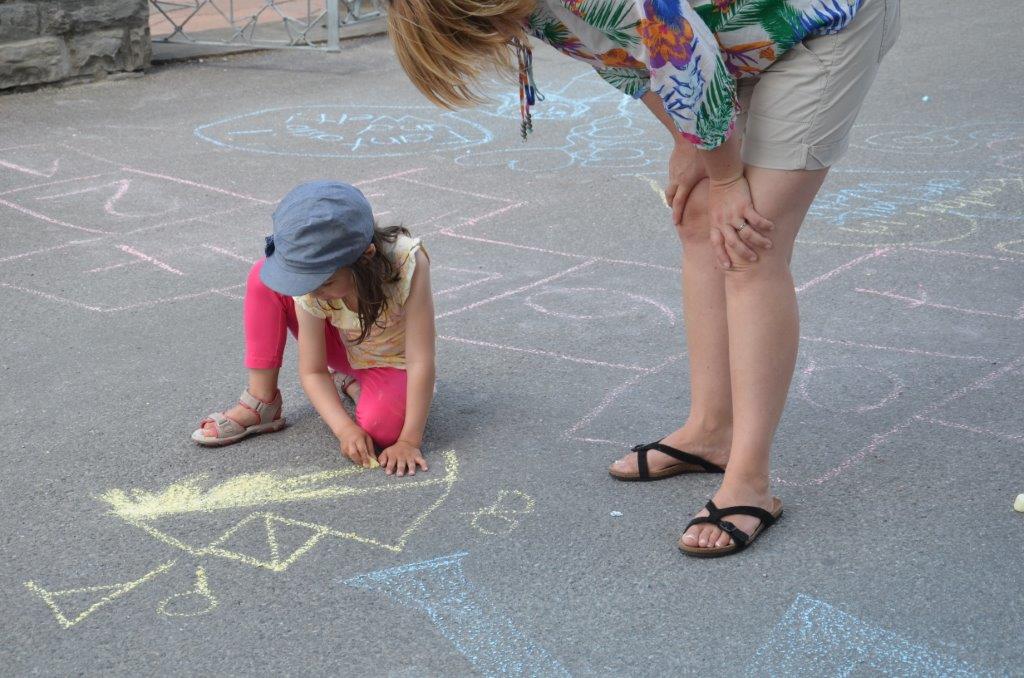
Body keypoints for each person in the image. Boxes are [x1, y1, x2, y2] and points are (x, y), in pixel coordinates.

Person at [386, 0, 900, 554]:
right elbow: (620, 58)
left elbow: (683, 51)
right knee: (699, 222)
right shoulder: (528, 8)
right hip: (733, 39)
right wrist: (688, 143)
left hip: (821, 27)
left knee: (750, 242)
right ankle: (712, 430)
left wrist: (725, 176)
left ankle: (750, 479)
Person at [192, 181, 436, 477]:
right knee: (262, 277)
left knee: (384, 433)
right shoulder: (312, 285)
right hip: (343, 344)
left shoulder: (407, 263)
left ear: (366, 256)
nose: (311, 291)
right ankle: (262, 401)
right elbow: (313, 370)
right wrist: (344, 429)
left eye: (325, 282)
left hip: (390, 359)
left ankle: (358, 381)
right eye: (306, 282)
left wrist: (410, 440)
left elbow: (420, 359)